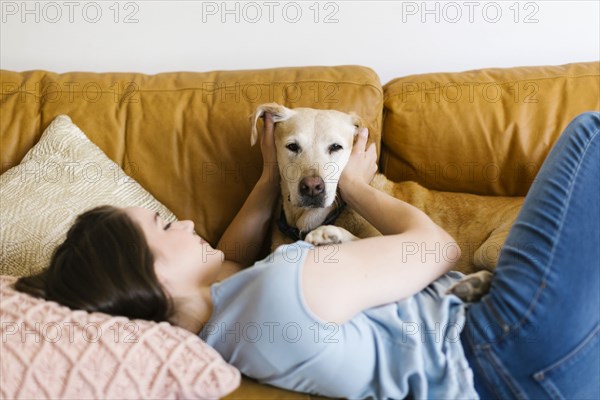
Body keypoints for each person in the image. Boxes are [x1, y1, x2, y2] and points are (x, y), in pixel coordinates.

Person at [16, 111, 599, 399]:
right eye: (165, 225)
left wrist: (273, 172)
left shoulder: (228, 320)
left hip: (508, 359)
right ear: (150, 270)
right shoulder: (280, 289)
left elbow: (229, 253)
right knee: (589, 131)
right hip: (500, 346)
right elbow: (441, 248)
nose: (187, 219)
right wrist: (357, 184)